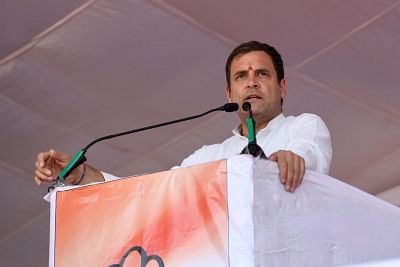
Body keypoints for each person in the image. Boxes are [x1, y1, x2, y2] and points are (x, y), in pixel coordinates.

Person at [34, 41, 332, 192]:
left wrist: (295, 160)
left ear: (282, 87)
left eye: (262, 74)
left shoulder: (303, 126)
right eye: (242, 76)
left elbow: (309, 154)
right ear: (229, 94)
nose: (251, 82)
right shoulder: (209, 156)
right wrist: (84, 176)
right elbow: (154, 192)